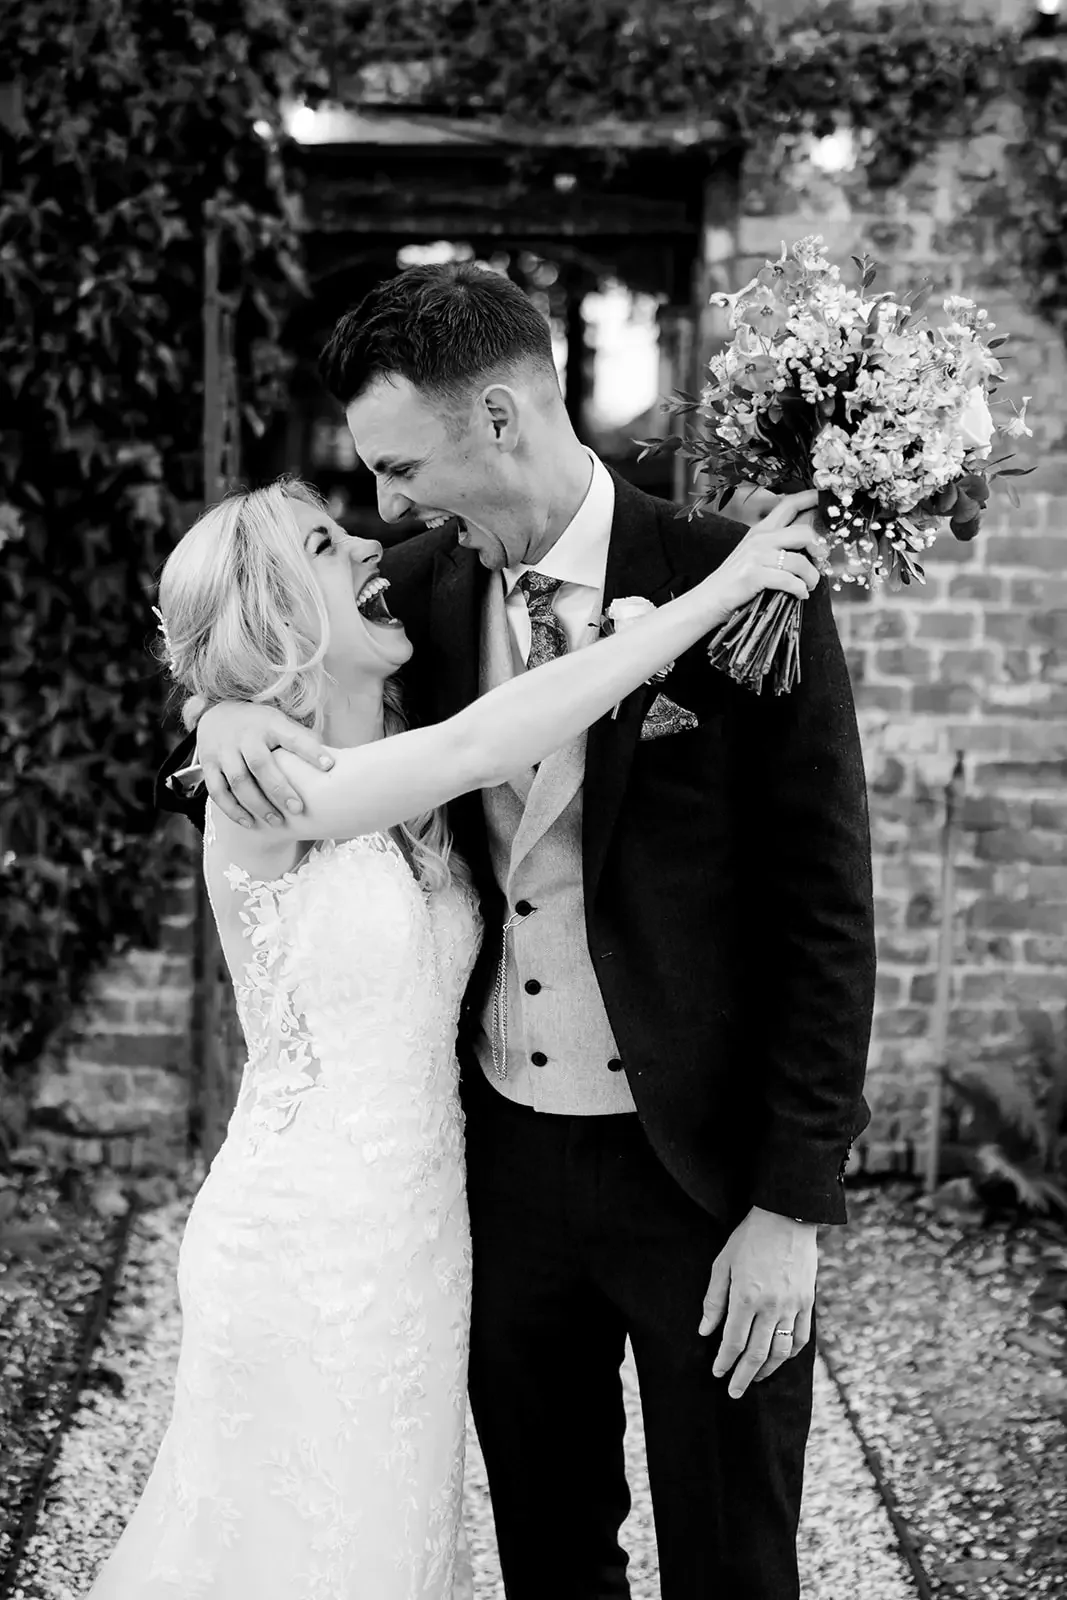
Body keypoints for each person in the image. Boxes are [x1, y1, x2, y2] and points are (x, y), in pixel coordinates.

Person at [159, 263, 875, 1600]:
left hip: (702, 1181)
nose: (385, 512)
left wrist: (792, 1202)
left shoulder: (739, 577)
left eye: (400, 467)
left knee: (733, 1562)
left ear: (496, 417)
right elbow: (293, 695)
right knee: (550, 1556)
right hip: (497, 1173)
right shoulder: (412, 600)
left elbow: (824, 910)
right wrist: (218, 718)